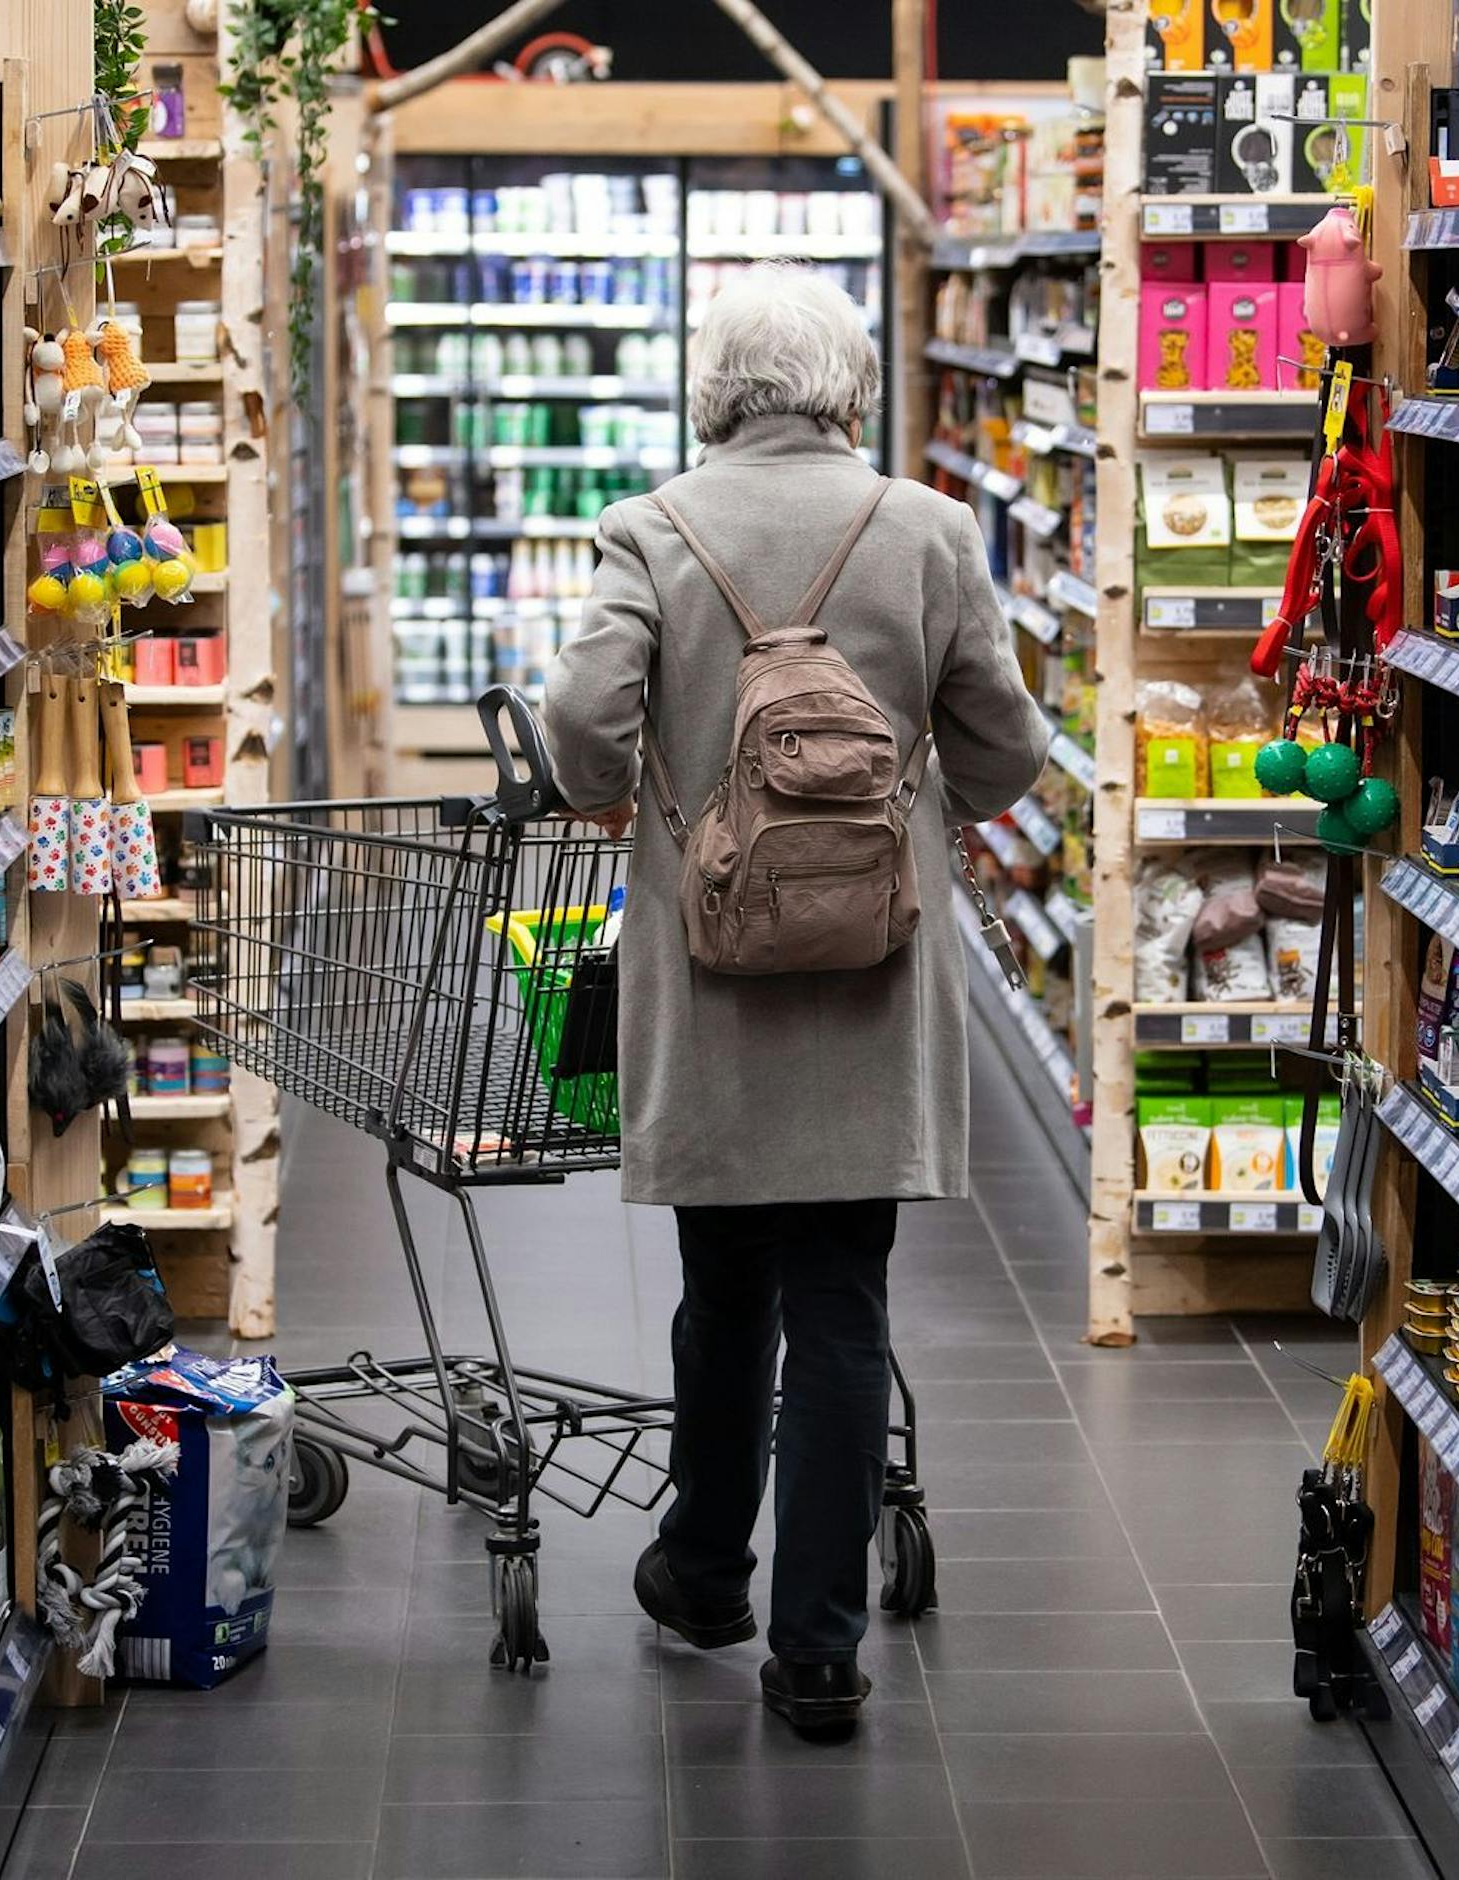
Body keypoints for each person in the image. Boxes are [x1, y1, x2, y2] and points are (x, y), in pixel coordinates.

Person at [541, 265, 1050, 1735]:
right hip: (873, 981)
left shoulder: (652, 527)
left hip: (709, 984)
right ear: (849, 390)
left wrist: (630, 794)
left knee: (727, 1291)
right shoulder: (931, 530)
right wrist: (901, 789)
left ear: (712, 394)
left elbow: (584, 725)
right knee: (843, 1301)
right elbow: (1008, 752)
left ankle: (704, 1570)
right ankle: (817, 1650)